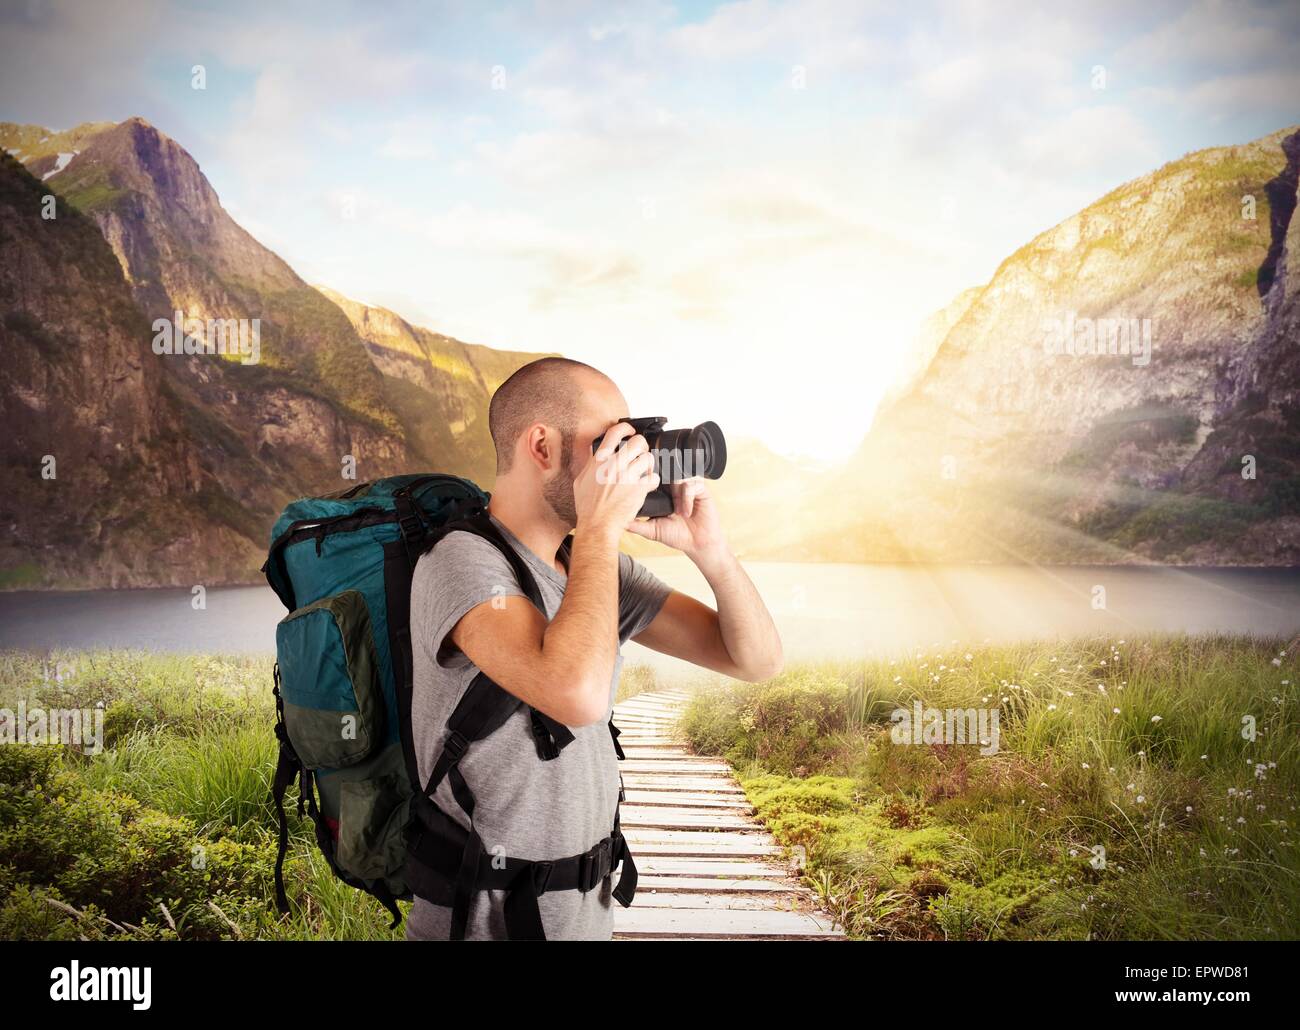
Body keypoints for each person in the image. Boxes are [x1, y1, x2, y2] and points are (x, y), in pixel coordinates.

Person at [405, 356, 783, 940]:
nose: (629, 461)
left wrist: (710, 550)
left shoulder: (586, 565)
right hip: (486, 922)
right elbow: (577, 698)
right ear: (541, 447)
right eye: (611, 443)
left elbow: (754, 659)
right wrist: (603, 529)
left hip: (585, 915)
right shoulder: (459, 561)